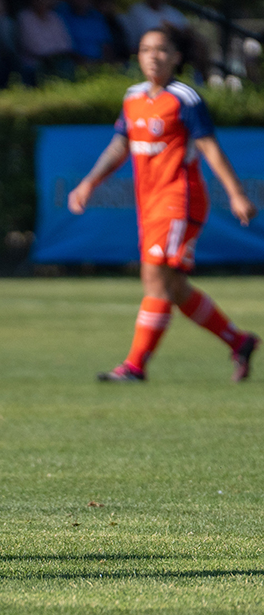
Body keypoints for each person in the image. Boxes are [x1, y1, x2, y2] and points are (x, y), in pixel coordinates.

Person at [67, 27, 259, 383]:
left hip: (179, 201)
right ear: (137, 56)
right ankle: (240, 341)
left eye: (161, 50)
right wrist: (89, 182)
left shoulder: (185, 99)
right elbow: (120, 145)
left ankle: (135, 367)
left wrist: (235, 193)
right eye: (145, 49)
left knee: (154, 279)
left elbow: (209, 147)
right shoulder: (133, 97)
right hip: (149, 204)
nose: (153, 56)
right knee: (175, 288)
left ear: (176, 57)